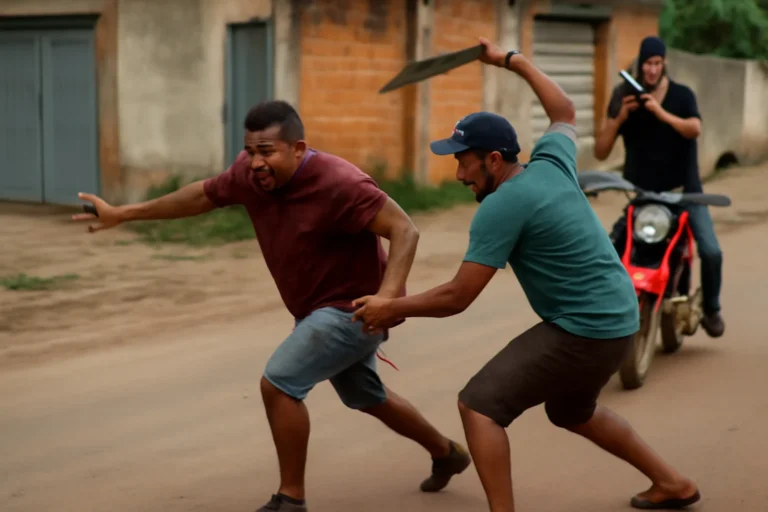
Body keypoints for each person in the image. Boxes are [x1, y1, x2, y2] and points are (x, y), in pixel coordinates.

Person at [351, 37, 701, 512]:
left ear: (493, 160)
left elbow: (458, 296)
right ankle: (673, 483)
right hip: (619, 314)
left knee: (479, 405)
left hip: (588, 328)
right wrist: (511, 60)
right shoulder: (551, 162)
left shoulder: (501, 206)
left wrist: (390, 307)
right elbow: (564, 111)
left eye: (463, 160)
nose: (459, 174)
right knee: (572, 411)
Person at [71, 100, 471, 511]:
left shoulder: (340, 183)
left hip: (354, 309)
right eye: (250, 151)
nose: (256, 162)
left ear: (298, 149)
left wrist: (387, 299)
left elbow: (404, 229)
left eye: (267, 151)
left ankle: (290, 498)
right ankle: (448, 453)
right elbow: (202, 196)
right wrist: (124, 213)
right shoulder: (250, 177)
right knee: (366, 395)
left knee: (279, 382)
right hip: (314, 309)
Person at [594, 35, 725, 338]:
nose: (651, 70)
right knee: (608, 250)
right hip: (644, 196)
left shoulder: (682, 95)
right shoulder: (623, 95)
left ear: (664, 64)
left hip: (685, 193)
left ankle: (712, 308)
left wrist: (659, 112)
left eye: (657, 64)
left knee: (711, 251)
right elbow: (600, 151)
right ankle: (600, 312)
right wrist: (619, 118)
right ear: (639, 65)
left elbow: (694, 128)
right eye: (647, 64)